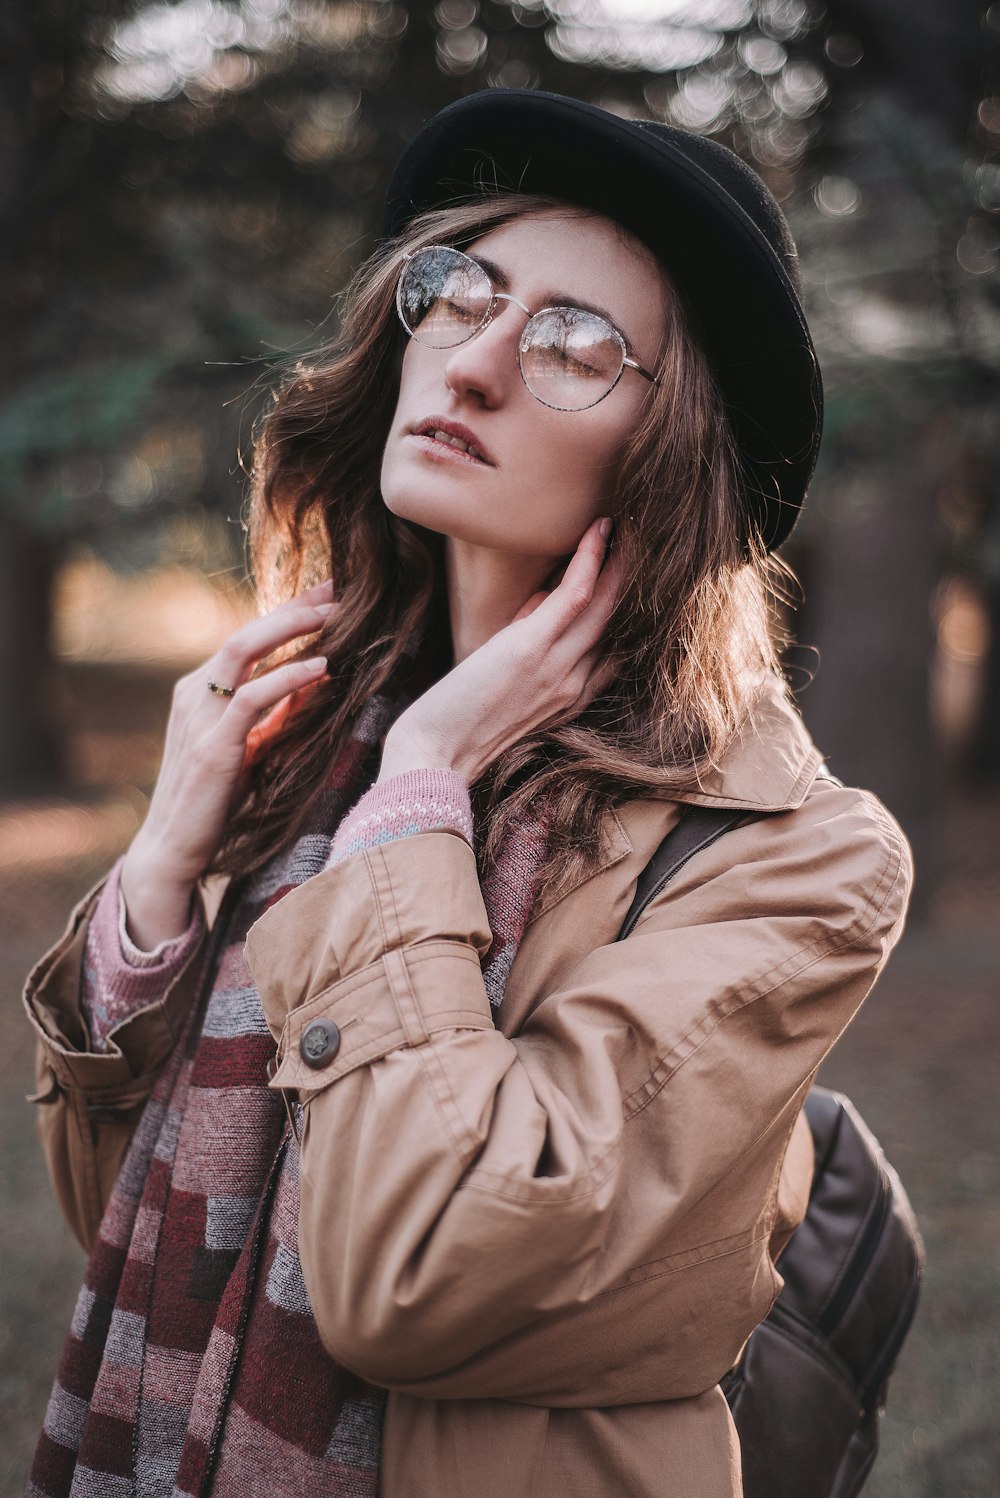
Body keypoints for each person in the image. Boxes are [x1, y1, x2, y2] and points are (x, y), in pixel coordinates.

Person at [23, 90, 912, 1498]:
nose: (479, 360)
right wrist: (153, 886)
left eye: (573, 344)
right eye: (460, 293)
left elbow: (411, 1277)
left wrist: (423, 789)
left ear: (666, 451)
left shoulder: (798, 858)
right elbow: (138, 1225)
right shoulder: (317, 742)